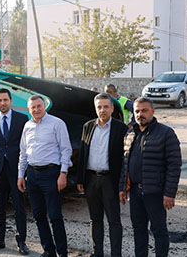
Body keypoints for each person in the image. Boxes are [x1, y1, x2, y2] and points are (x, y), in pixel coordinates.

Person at [120, 97, 181, 257]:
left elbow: (174, 166)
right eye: (137, 111)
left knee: (159, 231)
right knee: (138, 230)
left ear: (153, 111)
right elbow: (125, 163)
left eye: (144, 110)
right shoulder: (130, 133)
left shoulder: (166, 133)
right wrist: (122, 188)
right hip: (135, 192)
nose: (141, 114)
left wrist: (169, 193)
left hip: (155, 193)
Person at [17, 95, 72, 257]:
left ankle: (62, 253)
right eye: (33, 107)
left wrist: (63, 173)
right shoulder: (27, 126)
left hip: (51, 174)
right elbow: (23, 153)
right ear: (29, 109)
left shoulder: (57, 123)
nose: (36, 110)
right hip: (32, 175)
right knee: (38, 215)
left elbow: (66, 149)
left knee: (55, 216)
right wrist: (21, 175)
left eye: (39, 106)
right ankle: (49, 250)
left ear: (44, 106)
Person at [76, 94, 129, 257]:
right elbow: (83, 153)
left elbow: (125, 158)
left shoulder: (121, 129)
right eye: (99, 107)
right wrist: (80, 179)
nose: (102, 110)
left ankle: (116, 254)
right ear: (95, 108)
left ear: (112, 108)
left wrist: (123, 184)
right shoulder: (88, 126)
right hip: (91, 179)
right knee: (95, 219)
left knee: (114, 221)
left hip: (110, 181)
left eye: (106, 106)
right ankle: (96, 252)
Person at [0, 88, 31, 255]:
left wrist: (24, 171)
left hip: (16, 169)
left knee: (19, 206)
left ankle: (21, 242)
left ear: (11, 101)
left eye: (5, 100)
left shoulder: (22, 119)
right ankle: (0, 239)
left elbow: (26, 146)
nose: (2, 103)